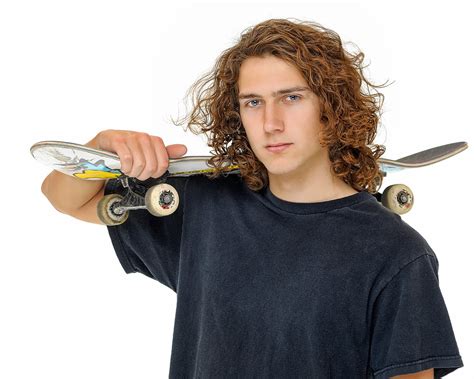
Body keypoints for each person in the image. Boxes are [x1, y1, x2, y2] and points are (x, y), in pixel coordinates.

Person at [41, 18, 463, 378]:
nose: (271, 123)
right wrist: (101, 148)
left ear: (332, 107)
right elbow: (64, 197)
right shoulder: (205, 208)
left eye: (291, 98)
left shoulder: (395, 253)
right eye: (253, 102)